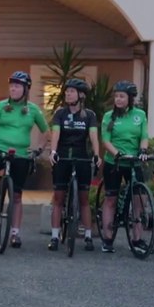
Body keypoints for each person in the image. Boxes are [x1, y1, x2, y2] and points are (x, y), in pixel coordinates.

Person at [0, 71, 49, 249]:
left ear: (26, 89)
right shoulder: (0, 106)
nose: (13, 89)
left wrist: (38, 150)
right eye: (11, 85)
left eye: (17, 86)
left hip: (21, 154)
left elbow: (46, 132)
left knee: (17, 196)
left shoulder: (33, 110)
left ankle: (15, 233)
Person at [47, 77, 100, 251]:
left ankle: (87, 236)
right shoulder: (60, 113)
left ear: (81, 95)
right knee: (58, 197)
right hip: (62, 157)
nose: (68, 94)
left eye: (72, 91)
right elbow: (55, 132)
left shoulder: (89, 115)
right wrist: (53, 152)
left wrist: (97, 154)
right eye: (67, 91)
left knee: (84, 199)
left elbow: (93, 136)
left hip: (81, 157)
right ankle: (55, 236)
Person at [99, 80, 149, 254]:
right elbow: (105, 140)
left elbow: (144, 135)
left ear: (130, 98)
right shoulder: (108, 116)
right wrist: (116, 153)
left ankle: (137, 239)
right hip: (115, 162)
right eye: (116, 96)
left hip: (133, 161)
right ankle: (107, 238)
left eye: (122, 96)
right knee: (111, 199)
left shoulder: (140, 115)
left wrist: (143, 149)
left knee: (138, 200)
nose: (118, 99)